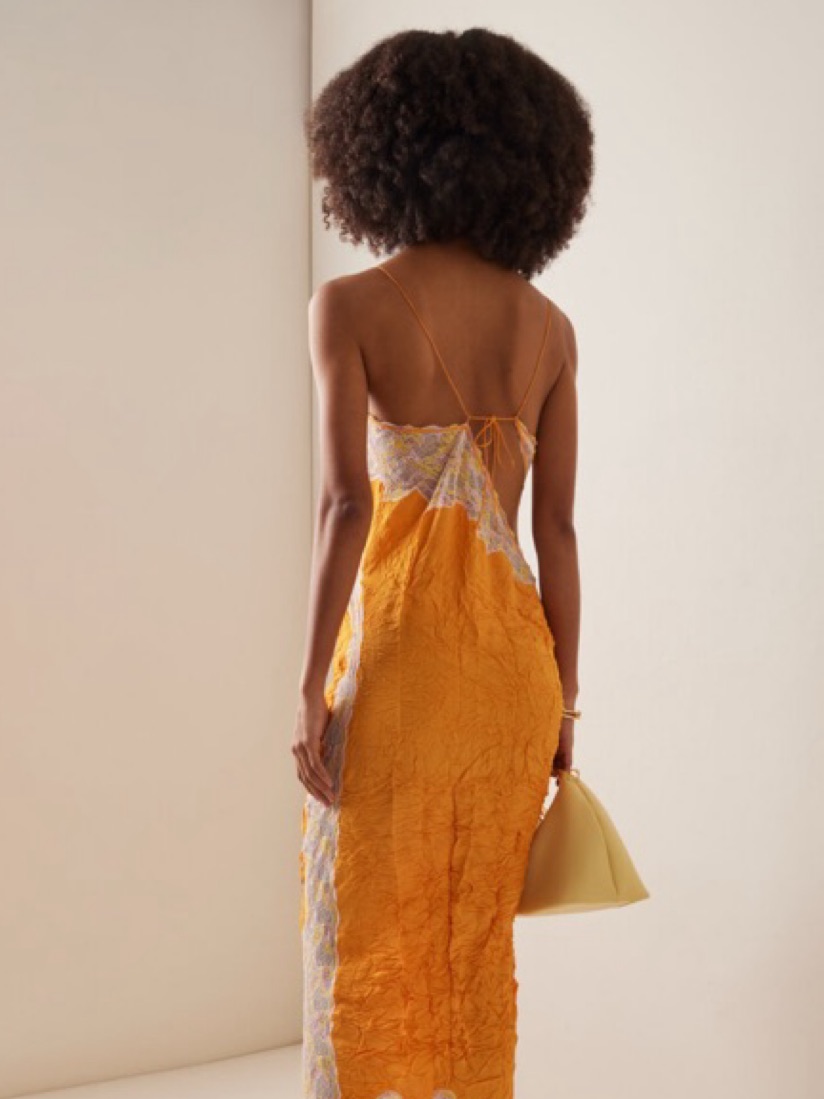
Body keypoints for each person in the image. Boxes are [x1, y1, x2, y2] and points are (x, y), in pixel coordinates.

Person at [293, 27, 593, 1099]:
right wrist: (564, 700)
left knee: (361, 927)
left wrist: (306, 686)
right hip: (512, 675)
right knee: (469, 941)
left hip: (402, 664)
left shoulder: (350, 306)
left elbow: (344, 506)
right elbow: (557, 532)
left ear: (378, 154)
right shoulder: (549, 327)